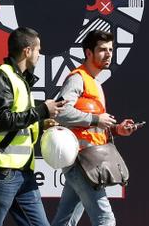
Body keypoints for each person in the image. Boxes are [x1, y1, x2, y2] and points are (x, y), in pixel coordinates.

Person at [0, 26, 65, 226]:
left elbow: (18, 120)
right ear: (27, 51)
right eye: (38, 49)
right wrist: (42, 111)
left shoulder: (19, 80)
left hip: (22, 172)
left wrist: (41, 122)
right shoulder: (2, 77)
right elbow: (2, 121)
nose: (40, 54)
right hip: (3, 170)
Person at [52, 30, 140, 226]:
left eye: (110, 49)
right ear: (88, 53)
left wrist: (116, 129)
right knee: (105, 220)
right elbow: (60, 111)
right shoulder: (77, 78)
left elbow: (95, 126)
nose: (108, 54)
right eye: (102, 50)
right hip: (81, 162)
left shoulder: (95, 84)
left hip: (88, 161)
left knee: (65, 222)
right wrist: (95, 119)